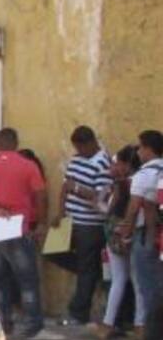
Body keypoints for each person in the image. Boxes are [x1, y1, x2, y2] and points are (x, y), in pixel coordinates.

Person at [0, 127, 56, 340]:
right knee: (27, 278)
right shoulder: (28, 166)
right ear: (16, 143)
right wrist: (41, 223)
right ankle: (33, 326)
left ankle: (3, 323)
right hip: (19, 226)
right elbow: (41, 196)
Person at [53, 125, 112, 325]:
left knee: (86, 267)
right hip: (70, 220)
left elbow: (100, 197)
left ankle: (78, 313)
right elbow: (65, 186)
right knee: (53, 252)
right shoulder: (76, 159)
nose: (79, 152)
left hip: (90, 223)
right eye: (77, 148)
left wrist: (77, 188)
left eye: (81, 148)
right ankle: (92, 272)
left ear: (91, 143)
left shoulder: (103, 163)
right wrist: (60, 212)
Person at [116, 130, 163, 340]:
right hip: (158, 237)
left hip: (147, 236)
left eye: (140, 147)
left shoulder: (144, 175)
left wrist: (125, 235)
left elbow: (134, 209)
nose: (138, 152)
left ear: (148, 149)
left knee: (149, 291)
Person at [92, 145, 139, 340]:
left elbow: (110, 209)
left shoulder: (121, 184)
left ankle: (109, 323)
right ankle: (139, 325)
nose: (114, 166)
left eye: (118, 162)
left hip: (117, 233)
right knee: (136, 282)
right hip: (131, 232)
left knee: (119, 279)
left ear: (127, 164)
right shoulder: (137, 181)